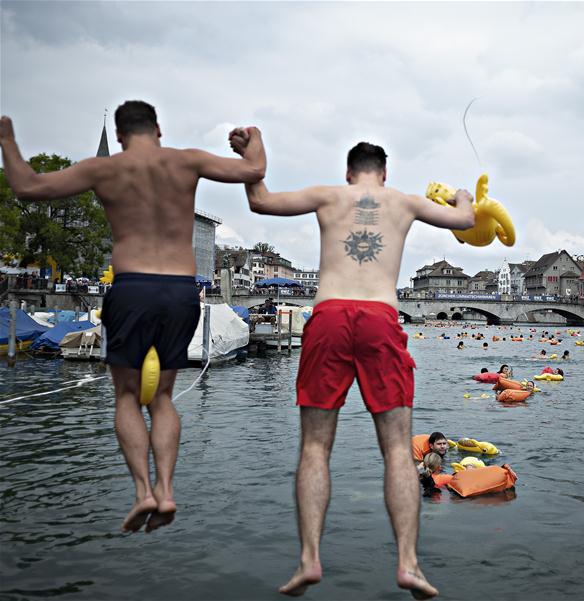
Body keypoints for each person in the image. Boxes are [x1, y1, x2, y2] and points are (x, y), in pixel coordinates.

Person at [0, 103, 266, 533]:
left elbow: (28, 186)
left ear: (120, 136)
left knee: (127, 397)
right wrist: (252, 141)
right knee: (161, 398)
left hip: (132, 286)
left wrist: (7, 139)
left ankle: (143, 492)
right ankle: (167, 491)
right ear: (159, 129)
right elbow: (254, 171)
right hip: (181, 289)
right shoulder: (187, 160)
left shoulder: (106, 168)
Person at [237, 138, 474, 599]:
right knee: (396, 449)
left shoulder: (329, 195)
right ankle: (407, 564)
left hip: (327, 316)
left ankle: (308, 559)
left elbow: (259, 199)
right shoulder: (404, 201)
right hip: (380, 318)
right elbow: (465, 220)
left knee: (314, 448)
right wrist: (461, 196)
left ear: (349, 173)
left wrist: (255, 151)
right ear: (383, 174)